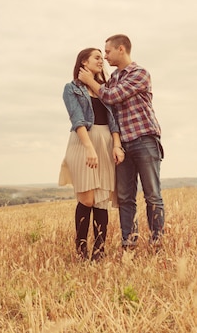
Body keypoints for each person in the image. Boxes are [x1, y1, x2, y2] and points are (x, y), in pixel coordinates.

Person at [78, 34, 165, 250]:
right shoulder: (113, 78)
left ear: (121, 49)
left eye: (107, 52)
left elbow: (112, 96)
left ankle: (157, 243)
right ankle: (129, 244)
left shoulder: (139, 74)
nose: (105, 56)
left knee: (152, 195)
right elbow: (110, 111)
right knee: (126, 198)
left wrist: (90, 81)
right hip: (122, 145)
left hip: (144, 139)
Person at [59, 48, 124, 262]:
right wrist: (89, 148)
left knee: (102, 200)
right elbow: (77, 119)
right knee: (86, 199)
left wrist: (116, 145)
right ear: (84, 62)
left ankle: (99, 252)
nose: (102, 60)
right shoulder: (71, 89)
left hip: (105, 142)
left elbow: (114, 120)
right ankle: (81, 250)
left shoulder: (106, 89)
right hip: (83, 142)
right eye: (97, 57)